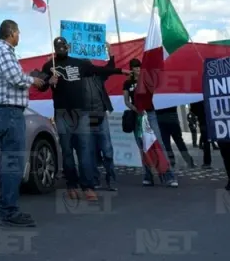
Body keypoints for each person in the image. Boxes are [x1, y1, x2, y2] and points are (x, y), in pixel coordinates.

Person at [37, 36, 122, 201]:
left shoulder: (79, 63)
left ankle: (88, 186)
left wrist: (119, 70)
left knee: (85, 150)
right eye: (58, 46)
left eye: (63, 45)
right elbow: (40, 86)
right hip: (62, 114)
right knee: (67, 150)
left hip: (81, 113)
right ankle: (71, 185)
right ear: (55, 48)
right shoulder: (49, 65)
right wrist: (49, 81)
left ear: (68, 47)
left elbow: (100, 70)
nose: (61, 48)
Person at [0, 19, 45, 228]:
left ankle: (8, 207)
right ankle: (9, 210)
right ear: (11, 33)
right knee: (13, 162)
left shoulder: (3, 51)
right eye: (18, 33)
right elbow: (15, 78)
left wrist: (29, 78)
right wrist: (33, 80)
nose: (19, 36)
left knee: (10, 161)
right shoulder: (3, 50)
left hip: (8, 113)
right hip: (9, 113)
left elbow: (14, 76)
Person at [123, 60, 179, 188]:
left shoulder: (147, 80)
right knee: (143, 147)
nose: (137, 70)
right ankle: (148, 176)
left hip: (150, 114)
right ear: (131, 69)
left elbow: (152, 91)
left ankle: (168, 176)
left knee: (158, 144)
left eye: (139, 67)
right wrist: (135, 109)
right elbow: (126, 101)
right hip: (137, 116)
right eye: (134, 68)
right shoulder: (127, 83)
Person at [83, 71, 118, 191]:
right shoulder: (76, 78)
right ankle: (95, 179)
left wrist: (111, 53)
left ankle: (111, 178)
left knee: (107, 150)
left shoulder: (97, 75)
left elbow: (109, 68)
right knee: (91, 152)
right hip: (86, 118)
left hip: (101, 116)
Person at [155, 106, 195, 170]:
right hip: (173, 120)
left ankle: (171, 162)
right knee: (180, 142)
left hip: (162, 122)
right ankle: (189, 161)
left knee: (166, 143)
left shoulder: (157, 97)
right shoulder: (171, 97)